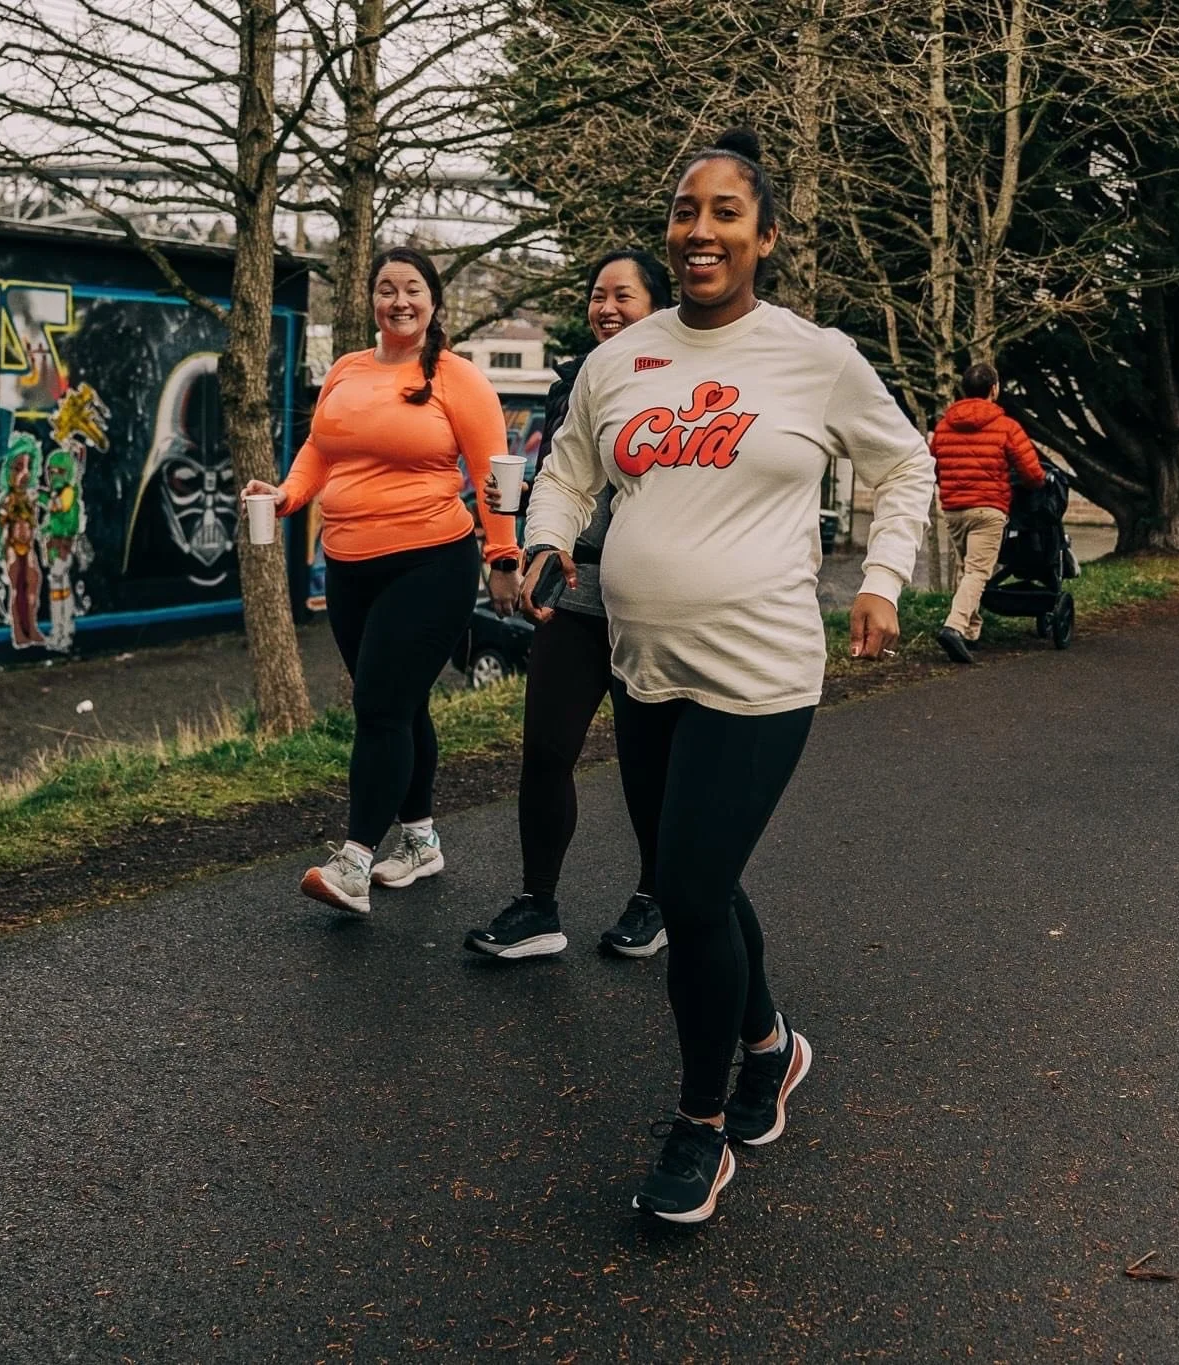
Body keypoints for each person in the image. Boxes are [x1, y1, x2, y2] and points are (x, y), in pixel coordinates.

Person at [522, 129, 935, 1224]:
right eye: (683, 211)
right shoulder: (619, 360)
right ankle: (770, 1044)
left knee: (688, 890)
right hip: (642, 666)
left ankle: (700, 1127)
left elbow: (904, 463)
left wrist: (882, 580)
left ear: (764, 235)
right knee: (694, 874)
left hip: (760, 671)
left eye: (722, 213)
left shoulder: (815, 356)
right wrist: (544, 536)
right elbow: (566, 469)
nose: (697, 231)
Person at [241, 246, 520, 913]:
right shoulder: (346, 370)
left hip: (431, 561)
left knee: (378, 706)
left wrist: (503, 553)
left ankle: (355, 860)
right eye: (386, 289)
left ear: (434, 301)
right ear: (370, 300)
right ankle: (421, 842)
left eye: (413, 289)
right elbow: (320, 450)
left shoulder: (459, 379)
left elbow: (496, 473)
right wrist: (286, 496)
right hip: (348, 563)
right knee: (401, 705)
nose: (399, 301)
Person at [464, 250, 675, 962]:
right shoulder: (574, 383)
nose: (607, 308)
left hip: (651, 598)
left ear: (660, 307)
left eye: (625, 296)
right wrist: (523, 522)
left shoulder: (687, 384)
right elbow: (568, 483)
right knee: (547, 749)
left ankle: (656, 898)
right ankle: (538, 904)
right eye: (597, 295)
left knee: (649, 763)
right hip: (576, 590)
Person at [928, 362, 1045, 665]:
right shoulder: (1005, 426)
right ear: (994, 389)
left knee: (968, 569)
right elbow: (1032, 473)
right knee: (979, 572)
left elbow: (934, 467)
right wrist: (1036, 484)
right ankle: (954, 627)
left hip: (954, 510)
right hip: (989, 507)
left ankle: (970, 631)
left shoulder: (943, 426)